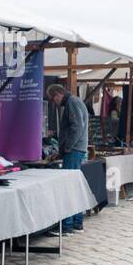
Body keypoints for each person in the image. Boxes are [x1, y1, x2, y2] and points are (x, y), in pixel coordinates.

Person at [46, 83, 89, 232]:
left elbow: (77, 128)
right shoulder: (74, 102)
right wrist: (61, 151)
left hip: (74, 150)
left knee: (68, 188)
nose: (54, 103)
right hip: (74, 150)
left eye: (53, 99)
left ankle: (67, 225)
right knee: (73, 187)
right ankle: (76, 223)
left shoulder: (72, 102)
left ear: (58, 94)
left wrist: (67, 148)